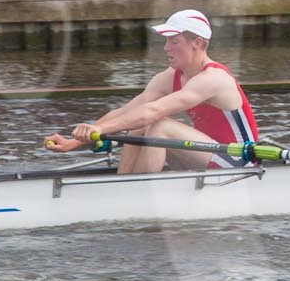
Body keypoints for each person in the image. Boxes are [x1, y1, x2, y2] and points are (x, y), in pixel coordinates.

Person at [45, 10, 261, 172]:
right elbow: (126, 112)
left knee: (159, 125)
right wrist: (74, 142)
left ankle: (140, 193)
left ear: (197, 43)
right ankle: (123, 186)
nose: (166, 48)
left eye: (174, 41)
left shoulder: (214, 78)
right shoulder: (171, 76)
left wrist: (101, 131)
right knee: (138, 124)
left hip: (239, 161)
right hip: (206, 154)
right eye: (166, 41)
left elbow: (154, 111)